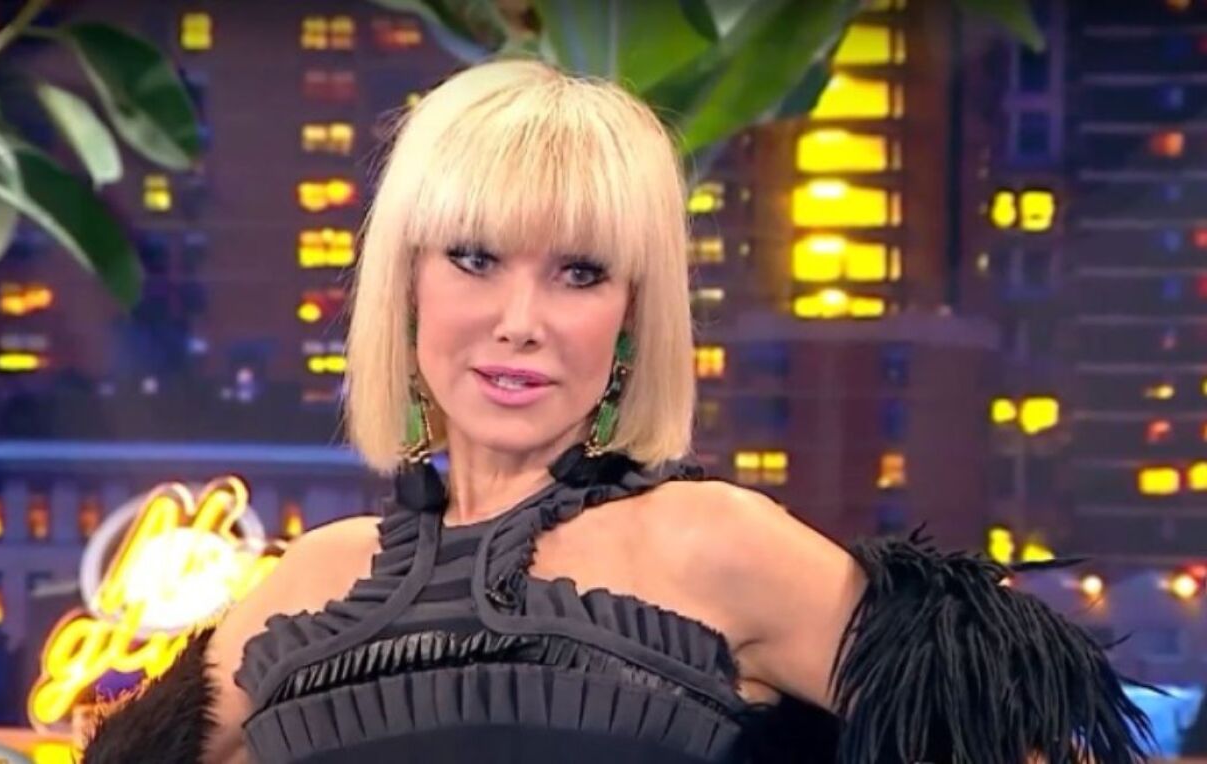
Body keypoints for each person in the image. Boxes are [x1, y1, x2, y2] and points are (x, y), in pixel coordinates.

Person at [83, 58, 1154, 763]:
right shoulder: (309, 580)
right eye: (474, 258)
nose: (520, 322)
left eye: (580, 273)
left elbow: (1025, 735)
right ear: (406, 286)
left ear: (633, 315)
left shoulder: (711, 541)